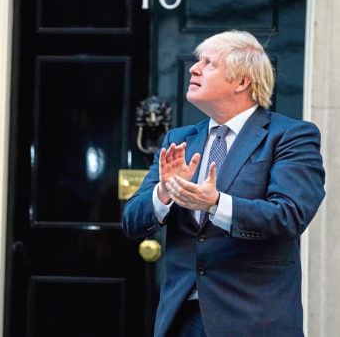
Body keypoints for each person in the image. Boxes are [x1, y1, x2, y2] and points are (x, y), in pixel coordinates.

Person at [122, 30, 325, 337]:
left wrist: (215, 204)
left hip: (253, 319)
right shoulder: (178, 140)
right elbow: (131, 222)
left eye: (209, 63)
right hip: (181, 318)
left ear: (242, 81)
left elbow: (289, 216)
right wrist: (164, 192)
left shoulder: (290, 136)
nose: (194, 68)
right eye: (197, 61)